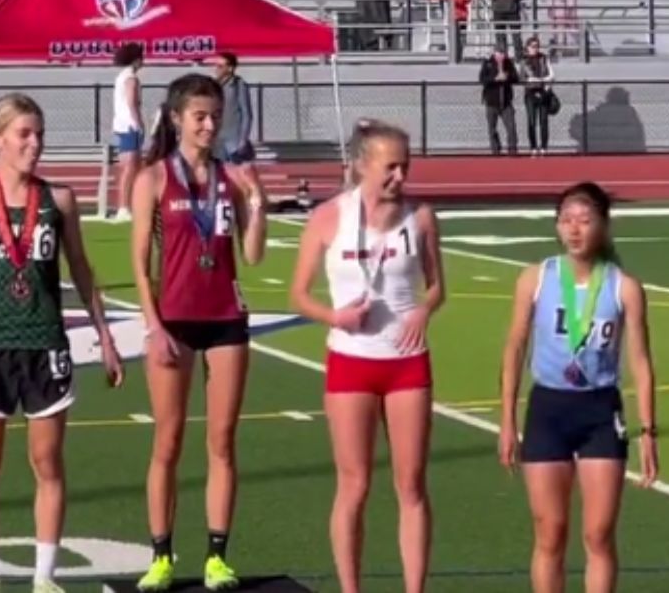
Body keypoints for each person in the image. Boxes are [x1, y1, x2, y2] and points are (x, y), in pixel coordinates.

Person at [0, 92, 124, 593]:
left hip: (45, 344)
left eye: (39, 133)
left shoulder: (58, 200)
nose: (34, 143)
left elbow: (82, 271)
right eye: (24, 133)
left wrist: (105, 338)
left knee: (47, 462)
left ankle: (45, 576)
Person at [288, 119, 446, 593]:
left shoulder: (420, 218)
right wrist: (334, 317)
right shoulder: (329, 217)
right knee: (354, 484)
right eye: (390, 167)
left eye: (406, 166)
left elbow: (438, 285)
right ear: (362, 165)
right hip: (351, 360)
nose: (400, 177)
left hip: (406, 361)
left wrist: (424, 309)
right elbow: (298, 293)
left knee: (411, 485)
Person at [130, 73, 268, 592]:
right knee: (168, 441)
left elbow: (252, 256)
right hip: (175, 321)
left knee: (223, 441)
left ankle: (217, 556)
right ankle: (161, 555)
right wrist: (154, 326)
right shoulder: (155, 179)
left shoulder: (231, 178)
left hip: (227, 319)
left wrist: (257, 206)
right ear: (176, 119)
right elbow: (141, 264)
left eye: (215, 116)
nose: (210, 126)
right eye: (200, 117)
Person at [498, 181, 658, 593]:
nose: (574, 229)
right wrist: (506, 420)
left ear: (603, 226)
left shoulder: (624, 287)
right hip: (548, 409)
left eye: (585, 220)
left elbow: (640, 359)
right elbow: (515, 346)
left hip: (601, 412)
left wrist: (648, 432)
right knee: (550, 534)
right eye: (566, 220)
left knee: (598, 536)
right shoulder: (536, 278)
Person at [110, 42, 145, 221]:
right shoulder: (131, 78)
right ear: (137, 60)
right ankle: (124, 207)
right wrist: (139, 123)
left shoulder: (121, 76)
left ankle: (124, 205)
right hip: (130, 126)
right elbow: (132, 103)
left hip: (121, 125)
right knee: (130, 168)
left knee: (127, 168)